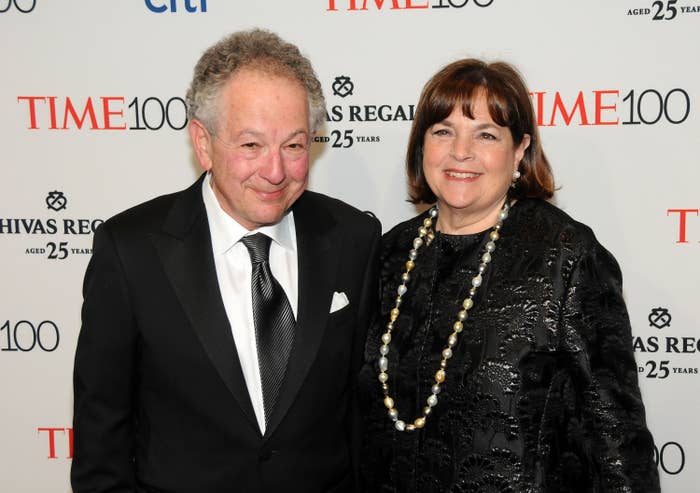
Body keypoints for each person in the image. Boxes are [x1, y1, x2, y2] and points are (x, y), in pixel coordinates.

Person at [71, 28, 380, 493]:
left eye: (294, 145)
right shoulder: (131, 250)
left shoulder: (354, 238)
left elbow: (362, 415)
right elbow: (101, 440)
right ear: (203, 142)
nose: (275, 172)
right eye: (251, 145)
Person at [359, 59, 660, 492]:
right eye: (443, 130)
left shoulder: (565, 256)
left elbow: (617, 444)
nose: (461, 151)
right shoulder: (392, 253)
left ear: (519, 150)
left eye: (486, 134)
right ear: (421, 144)